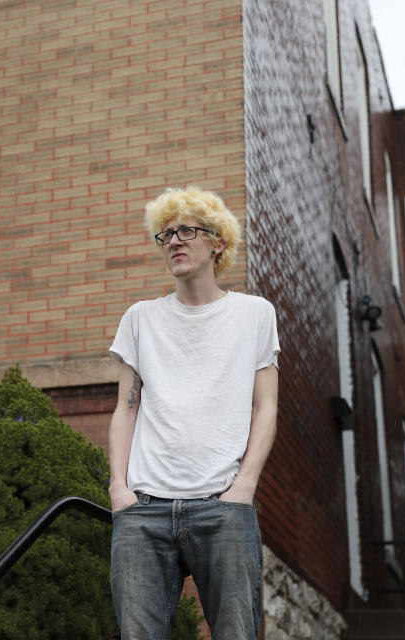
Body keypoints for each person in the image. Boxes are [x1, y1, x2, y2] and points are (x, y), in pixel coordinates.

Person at [108, 186, 279, 639]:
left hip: (224, 507)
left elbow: (267, 407)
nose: (175, 241)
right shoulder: (140, 319)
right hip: (143, 511)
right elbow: (126, 409)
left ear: (218, 242)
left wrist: (244, 487)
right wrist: (119, 490)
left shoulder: (254, 314)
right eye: (165, 235)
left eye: (187, 230)